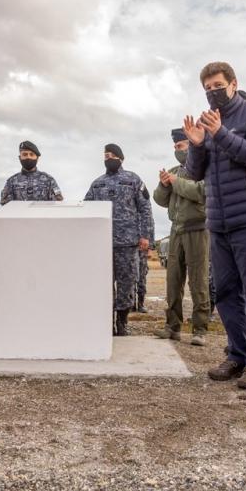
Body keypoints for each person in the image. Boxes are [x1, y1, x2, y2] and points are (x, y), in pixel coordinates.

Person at [183, 61, 246, 390]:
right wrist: (196, 144)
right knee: (225, 293)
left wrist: (220, 133)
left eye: (218, 85)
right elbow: (195, 174)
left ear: (233, 84)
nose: (213, 92)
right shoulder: (206, 123)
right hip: (219, 221)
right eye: (207, 88)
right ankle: (237, 353)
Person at [84, 144, 152, 336]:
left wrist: (145, 235)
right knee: (103, 285)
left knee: (126, 284)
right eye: (106, 155)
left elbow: (145, 208)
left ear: (121, 159)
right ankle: (106, 323)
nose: (109, 158)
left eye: (113, 155)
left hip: (127, 243)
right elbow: (86, 209)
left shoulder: (133, 180)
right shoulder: (97, 183)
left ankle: (122, 323)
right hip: (103, 243)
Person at [153, 128, 210, 345]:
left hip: (197, 229)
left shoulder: (204, 168)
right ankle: (172, 326)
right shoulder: (174, 170)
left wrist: (176, 182)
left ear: (192, 145)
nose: (177, 150)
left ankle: (200, 329)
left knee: (198, 281)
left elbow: (201, 192)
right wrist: (164, 184)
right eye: (176, 147)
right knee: (173, 280)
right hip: (176, 230)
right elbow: (159, 200)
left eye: (181, 146)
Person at [134, 188, 155, 314]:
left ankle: (140, 303)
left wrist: (151, 247)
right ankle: (131, 303)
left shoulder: (146, 211)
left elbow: (151, 226)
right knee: (131, 277)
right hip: (129, 245)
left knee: (141, 276)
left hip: (142, 247)